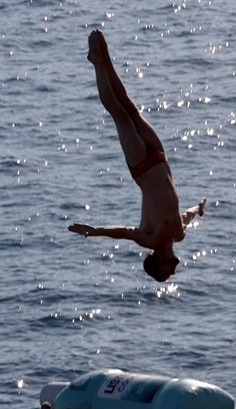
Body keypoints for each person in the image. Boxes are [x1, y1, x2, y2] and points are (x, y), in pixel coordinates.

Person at [68, 29, 207, 282]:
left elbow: (124, 232)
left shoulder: (150, 239)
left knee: (119, 115)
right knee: (130, 108)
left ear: (157, 262)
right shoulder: (179, 234)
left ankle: (98, 64)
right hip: (159, 157)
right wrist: (198, 208)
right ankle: (106, 58)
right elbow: (185, 215)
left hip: (142, 166)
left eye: (168, 272)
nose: (174, 270)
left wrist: (95, 231)